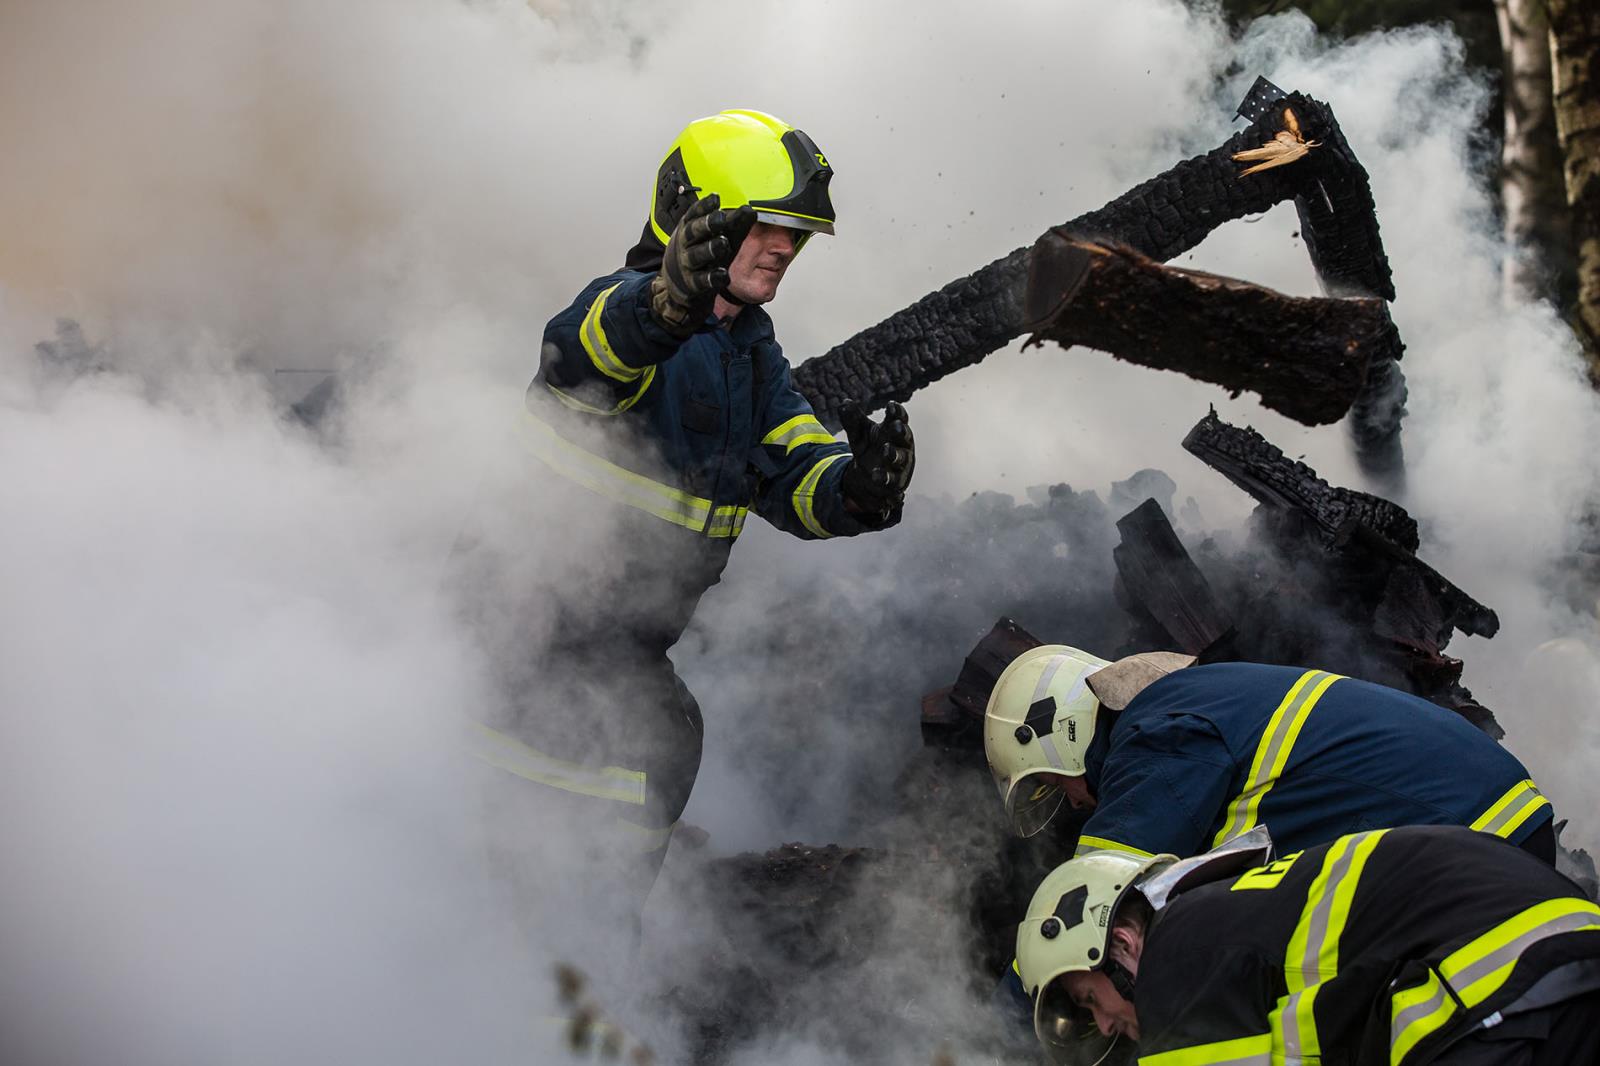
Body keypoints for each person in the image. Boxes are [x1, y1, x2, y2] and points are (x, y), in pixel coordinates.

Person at [458, 109, 915, 919]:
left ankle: (593, 993)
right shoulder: (625, 312)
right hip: (533, 657)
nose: (784, 246)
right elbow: (579, 364)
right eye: (768, 225)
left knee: (635, 819)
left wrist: (857, 492)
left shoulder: (750, 352)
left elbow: (793, 466)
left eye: (796, 234)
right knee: (527, 885)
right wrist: (664, 305)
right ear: (696, 214)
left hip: (631, 667)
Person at [1015, 825, 1600, 1065]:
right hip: (1560, 952)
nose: (1107, 1025)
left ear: (1119, 944)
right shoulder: (1235, 908)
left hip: (1486, 994)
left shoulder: (1176, 970)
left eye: (1090, 999)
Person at [983, 646, 1556, 864]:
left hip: (1467, 836)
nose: (1078, 803)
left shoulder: (1158, 733)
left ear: (1058, 731)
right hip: (1493, 819)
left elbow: (1095, 901)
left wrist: (1006, 1022)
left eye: (1058, 786)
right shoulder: (1202, 700)